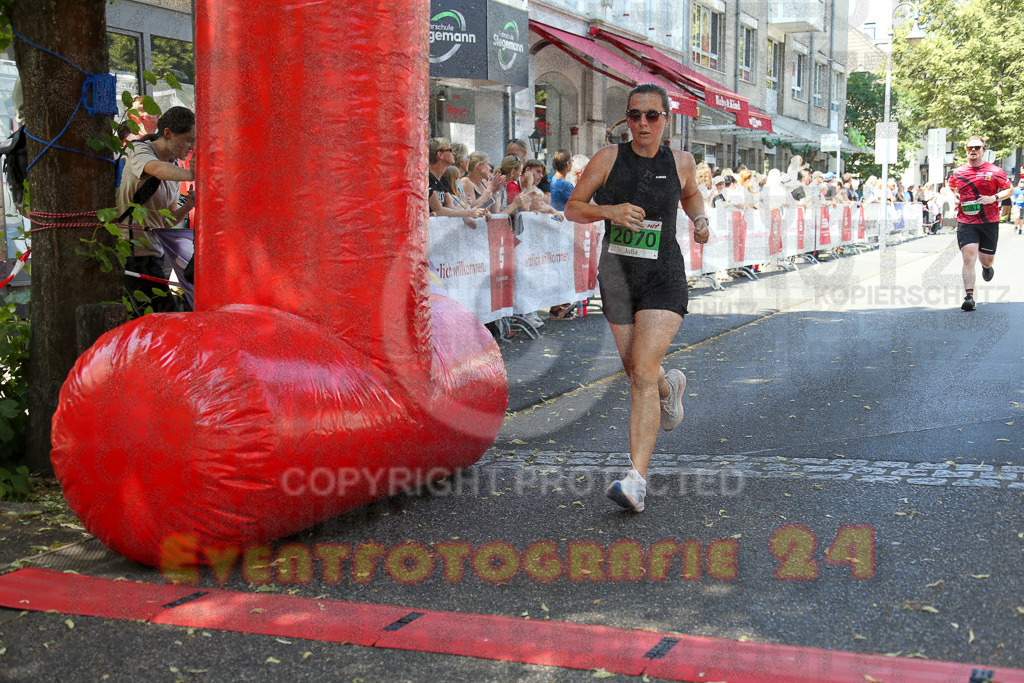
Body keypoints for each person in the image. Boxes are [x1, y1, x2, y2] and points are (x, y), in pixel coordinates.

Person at [564, 83, 709, 513]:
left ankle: (636, 481)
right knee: (636, 370)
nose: (642, 123)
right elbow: (574, 207)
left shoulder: (681, 161)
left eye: (651, 115)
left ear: (666, 119)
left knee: (643, 369)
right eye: (634, 115)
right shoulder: (609, 159)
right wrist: (610, 211)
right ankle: (671, 386)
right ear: (626, 119)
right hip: (618, 278)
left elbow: (692, 195)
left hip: (664, 276)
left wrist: (700, 219)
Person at [116, 106, 196, 314]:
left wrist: (187, 206)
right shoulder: (139, 150)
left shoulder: (174, 164)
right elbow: (156, 170)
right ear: (167, 133)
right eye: (188, 139)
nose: (192, 147)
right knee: (162, 318)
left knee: (158, 317)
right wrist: (193, 174)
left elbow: (166, 221)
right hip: (131, 254)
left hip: (155, 254)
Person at [946, 135, 1012, 311]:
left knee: (986, 259)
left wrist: (994, 197)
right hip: (966, 220)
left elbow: (1009, 189)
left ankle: (986, 268)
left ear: (983, 150)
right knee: (968, 256)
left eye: (976, 147)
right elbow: (949, 186)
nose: (973, 150)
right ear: (966, 151)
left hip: (989, 220)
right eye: (969, 148)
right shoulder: (959, 172)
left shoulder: (995, 171)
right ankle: (969, 297)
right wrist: (953, 201)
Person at [428, 138, 487, 219]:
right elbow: (439, 210)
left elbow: (451, 207)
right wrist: (469, 212)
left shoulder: (441, 180)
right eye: (450, 150)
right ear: (440, 155)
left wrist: (472, 210)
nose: (454, 153)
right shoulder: (427, 178)